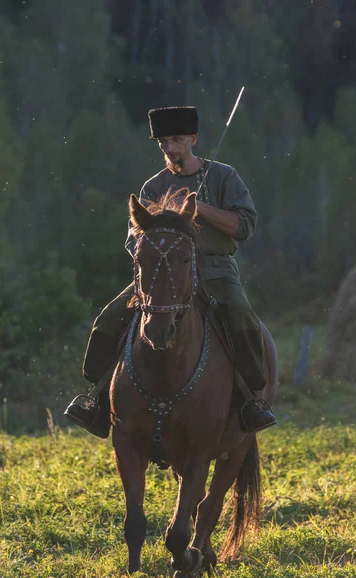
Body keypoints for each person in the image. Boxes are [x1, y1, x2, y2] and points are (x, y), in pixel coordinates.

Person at [64, 105, 276, 438]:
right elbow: (135, 238)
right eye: (163, 141)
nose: (170, 148)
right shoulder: (152, 186)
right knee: (108, 318)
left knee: (241, 315)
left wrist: (200, 209)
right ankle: (97, 400)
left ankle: (253, 401)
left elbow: (244, 226)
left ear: (193, 139)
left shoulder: (223, 176)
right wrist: (149, 252)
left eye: (177, 139)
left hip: (214, 268)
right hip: (160, 273)